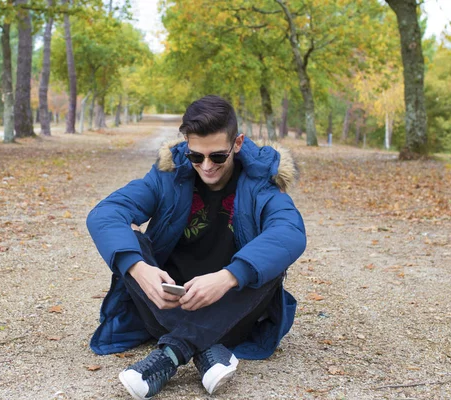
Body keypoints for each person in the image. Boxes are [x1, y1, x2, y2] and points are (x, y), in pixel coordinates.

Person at [86, 95, 306, 399]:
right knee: (130, 246)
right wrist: (140, 270)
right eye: (195, 156)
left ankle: (173, 351)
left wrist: (228, 276)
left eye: (217, 156)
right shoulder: (167, 177)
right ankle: (205, 349)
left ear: (237, 143)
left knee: (268, 261)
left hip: (231, 308)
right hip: (165, 303)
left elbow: (290, 232)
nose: (206, 166)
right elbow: (105, 214)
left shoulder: (261, 184)